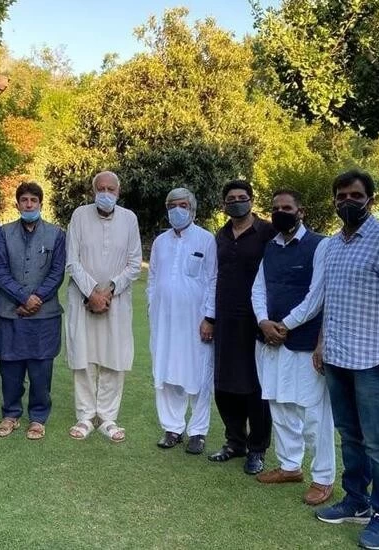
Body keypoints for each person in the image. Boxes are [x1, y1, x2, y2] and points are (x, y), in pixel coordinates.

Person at [284, 171, 379, 550]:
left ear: (370, 198)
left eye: (355, 195)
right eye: (341, 196)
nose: (347, 202)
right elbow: (331, 300)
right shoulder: (333, 246)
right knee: (350, 436)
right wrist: (321, 343)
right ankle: (357, 501)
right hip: (337, 358)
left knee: (378, 443)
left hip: (373, 361)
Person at [250, 189, 335, 506]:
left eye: (287, 207)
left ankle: (323, 478)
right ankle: (289, 466)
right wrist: (263, 322)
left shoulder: (320, 245)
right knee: (279, 404)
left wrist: (285, 324)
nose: (280, 212)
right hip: (270, 340)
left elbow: (317, 295)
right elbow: (258, 288)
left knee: (313, 413)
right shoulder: (270, 246)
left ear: (301, 212)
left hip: (304, 342)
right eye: (275, 208)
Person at [66, 171, 142, 442]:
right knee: (84, 357)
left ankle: (108, 418)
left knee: (114, 357)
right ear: (93, 191)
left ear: (118, 193)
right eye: (101, 189)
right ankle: (86, 417)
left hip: (115, 301)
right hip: (83, 300)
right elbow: (72, 260)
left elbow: (135, 263)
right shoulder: (79, 215)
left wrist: (108, 290)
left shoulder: (129, 219)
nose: (106, 193)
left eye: (111, 189)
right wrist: (91, 293)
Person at [208, 180, 277, 475]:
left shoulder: (267, 232)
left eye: (242, 197)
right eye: (231, 199)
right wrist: (210, 317)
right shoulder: (220, 236)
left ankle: (257, 448)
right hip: (225, 319)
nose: (237, 202)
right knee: (224, 385)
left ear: (251, 199)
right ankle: (234, 441)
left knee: (254, 387)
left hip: (256, 320)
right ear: (224, 204)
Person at [0, 181, 65, 440]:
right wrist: (23, 297)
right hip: (10, 312)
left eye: (34, 200)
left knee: (41, 369)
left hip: (44, 315)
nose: (29, 204)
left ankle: (38, 418)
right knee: (10, 367)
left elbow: (57, 272)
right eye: (24, 200)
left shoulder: (56, 234)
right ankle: (10, 415)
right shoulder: (3, 233)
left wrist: (37, 299)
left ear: (41, 204)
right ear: (17, 204)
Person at [147, 188, 216, 455]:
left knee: (199, 373)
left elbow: (214, 280)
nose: (177, 210)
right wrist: (152, 305)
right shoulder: (160, 242)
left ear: (192, 209)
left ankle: (197, 432)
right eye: (172, 205)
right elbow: (153, 277)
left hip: (196, 321)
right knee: (166, 371)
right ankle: (172, 428)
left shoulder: (206, 240)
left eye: (183, 205)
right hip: (164, 319)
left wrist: (209, 317)